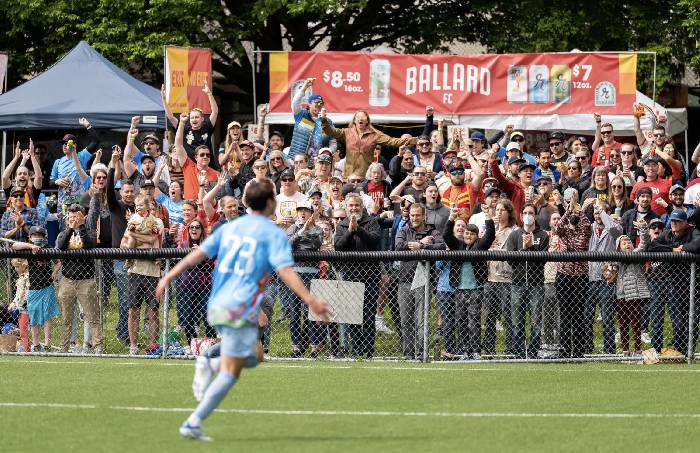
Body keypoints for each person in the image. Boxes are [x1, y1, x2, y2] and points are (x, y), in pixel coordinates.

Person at [155, 178, 329, 441]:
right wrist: (310, 299)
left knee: (255, 355)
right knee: (231, 371)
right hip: (239, 305)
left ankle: (208, 371)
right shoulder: (273, 234)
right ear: (272, 202)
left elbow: (197, 254)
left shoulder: (231, 228)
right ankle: (200, 392)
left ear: (247, 203)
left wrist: (168, 276)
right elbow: (285, 271)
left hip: (218, 303)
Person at [394, 203, 446, 359]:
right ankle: (408, 354)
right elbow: (398, 247)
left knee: (421, 320)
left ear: (424, 216)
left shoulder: (433, 231)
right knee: (405, 319)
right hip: (405, 279)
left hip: (424, 280)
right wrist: (420, 244)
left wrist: (421, 245)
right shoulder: (404, 230)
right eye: (412, 215)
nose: (414, 218)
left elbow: (441, 246)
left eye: (417, 215)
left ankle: (422, 353)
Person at [443, 207, 495, 359]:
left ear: (476, 236)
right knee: (461, 321)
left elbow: (490, 236)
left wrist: (487, 215)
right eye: (466, 233)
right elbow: (446, 235)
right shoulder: (457, 245)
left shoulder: (480, 246)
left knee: (474, 322)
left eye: (472, 234)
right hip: (459, 289)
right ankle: (465, 350)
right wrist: (451, 218)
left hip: (475, 289)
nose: (468, 236)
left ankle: (475, 351)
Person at [334, 193, 381, 358]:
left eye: (357, 205)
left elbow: (375, 240)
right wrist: (349, 231)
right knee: (352, 315)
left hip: (370, 275)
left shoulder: (372, 222)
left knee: (368, 315)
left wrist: (358, 229)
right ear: (346, 208)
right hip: (350, 276)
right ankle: (357, 349)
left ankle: (368, 351)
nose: (354, 208)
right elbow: (338, 246)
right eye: (351, 206)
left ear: (362, 207)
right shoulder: (341, 226)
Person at [55, 204, 103, 354]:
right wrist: (70, 228)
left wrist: (81, 226)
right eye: (70, 217)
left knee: (92, 316)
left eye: (76, 217)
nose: (73, 219)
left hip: (86, 281)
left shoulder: (90, 232)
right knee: (66, 318)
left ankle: (98, 347)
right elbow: (61, 246)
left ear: (83, 217)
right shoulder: (63, 233)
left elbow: (89, 245)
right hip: (67, 280)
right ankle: (64, 347)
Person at [505, 204, 549, 358]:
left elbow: (543, 261)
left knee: (536, 322)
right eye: (525, 213)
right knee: (517, 321)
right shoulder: (514, 235)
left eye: (531, 213)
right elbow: (511, 261)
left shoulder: (543, 235)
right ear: (521, 215)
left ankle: (532, 351)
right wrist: (524, 249)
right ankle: (518, 352)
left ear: (536, 216)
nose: (528, 215)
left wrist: (532, 248)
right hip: (517, 284)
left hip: (536, 285)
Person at [121, 195, 164, 355]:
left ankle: (153, 345)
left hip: (152, 271)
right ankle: (133, 345)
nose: (138, 207)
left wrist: (135, 237)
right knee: (133, 310)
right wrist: (142, 242)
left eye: (141, 205)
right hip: (135, 270)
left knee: (153, 310)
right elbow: (124, 244)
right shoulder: (133, 219)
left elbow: (153, 238)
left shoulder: (156, 221)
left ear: (148, 206)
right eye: (136, 205)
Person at [321, 109, 417, 179]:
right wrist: (324, 121)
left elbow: (392, 141)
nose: (360, 119)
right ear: (354, 120)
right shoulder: (347, 132)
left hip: (366, 177)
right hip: (349, 176)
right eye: (358, 117)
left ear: (367, 121)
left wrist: (414, 140)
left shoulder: (375, 135)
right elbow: (331, 132)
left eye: (363, 117)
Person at [554, 193, 592, 358]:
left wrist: (580, 210)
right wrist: (569, 210)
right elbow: (558, 228)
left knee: (578, 313)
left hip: (580, 276)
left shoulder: (584, 228)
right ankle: (563, 348)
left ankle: (578, 350)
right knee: (564, 313)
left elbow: (579, 246)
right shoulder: (564, 229)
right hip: (563, 274)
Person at [285, 200, 323, 357]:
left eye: (305, 210)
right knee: (294, 313)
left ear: (311, 213)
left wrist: (309, 229)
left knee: (310, 312)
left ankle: (313, 345)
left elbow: (316, 245)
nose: (302, 213)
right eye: (300, 210)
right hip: (295, 275)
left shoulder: (318, 229)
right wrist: (301, 232)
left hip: (312, 274)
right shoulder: (293, 228)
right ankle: (296, 347)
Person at [11, 226, 59, 352]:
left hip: (47, 287)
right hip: (33, 289)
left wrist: (55, 271)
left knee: (48, 317)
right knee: (34, 318)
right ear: (30, 237)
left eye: (40, 235)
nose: (38, 238)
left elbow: (58, 262)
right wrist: (30, 246)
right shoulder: (28, 248)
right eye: (35, 235)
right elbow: (14, 246)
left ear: (45, 237)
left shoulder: (48, 248)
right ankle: (36, 345)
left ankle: (48, 345)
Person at [586, 201, 622, 355]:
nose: (598, 214)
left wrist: (604, 214)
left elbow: (615, 230)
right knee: (586, 317)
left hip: (608, 279)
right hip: (590, 278)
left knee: (607, 318)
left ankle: (609, 350)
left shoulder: (614, 227)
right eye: (595, 212)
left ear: (607, 213)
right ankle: (587, 348)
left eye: (601, 211)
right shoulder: (588, 227)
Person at [176, 218, 215, 347]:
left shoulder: (207, 245)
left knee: (208, 316)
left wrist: (200, 253)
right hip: (187, 285)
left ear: (201, 230)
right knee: (188, 318)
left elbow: (210, 265)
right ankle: (192, 345)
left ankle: (210, 344)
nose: (194, 229)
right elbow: (181, 265)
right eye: (191, 227)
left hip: (204, 286)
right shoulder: (183, 245)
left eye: (197, 227)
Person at [615, 220, 651, 356]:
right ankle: (625, 350)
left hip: (634, 294)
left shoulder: (637, 253)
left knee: (636, 324)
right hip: (621, 295)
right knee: (623, 324)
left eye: (629, 242)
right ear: (618, 248)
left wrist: (643, 228)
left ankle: (637, 349)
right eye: (624, 243)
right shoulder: (616, 258)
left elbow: (644, 243)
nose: (627, 244)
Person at [289, 79, 337, 160]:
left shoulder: (327, 122)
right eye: (316, 105)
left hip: (319, 162)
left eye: (321, 105)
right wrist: (305, 86)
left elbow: (333, 142)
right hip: (298, 160)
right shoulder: (301, 115)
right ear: (310, 104)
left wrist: (328, 153)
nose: (319, 107)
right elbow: (295, 103)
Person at [2, 139, 43, 207]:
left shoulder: (33, 191)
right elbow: (4, 177)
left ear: (28, 177)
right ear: (15, 177)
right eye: (20, 174)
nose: (22, 175)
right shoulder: (11, 190)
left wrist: (32, 156)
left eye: (25, 174)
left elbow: (38, 177)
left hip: (30, 217)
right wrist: (16, 157)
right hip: (12, 217)